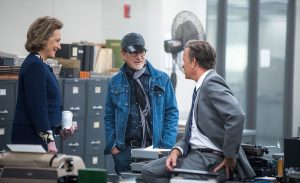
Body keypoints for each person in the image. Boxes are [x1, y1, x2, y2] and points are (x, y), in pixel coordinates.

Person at [142, 40, 255, 182]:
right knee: (148, 171)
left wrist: (230, 156)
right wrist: (176, 151)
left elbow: (236, 115)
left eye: (184, 61)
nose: (182, 65)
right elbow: (191, 133)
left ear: (194, 62)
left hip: (208, 159)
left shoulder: (211, 83)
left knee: (177, 180)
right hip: (192, 154)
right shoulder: (199, 87)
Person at [104, 32, 179, 174]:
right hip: (124, 151)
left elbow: (171, 113)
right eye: (134, 53)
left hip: (155, 149)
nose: (139, 57)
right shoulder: (115, 82)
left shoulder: (162, 79)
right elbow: (108, 116)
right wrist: (113, 147)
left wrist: (166, 146)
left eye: (142, 52)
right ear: (123, 54)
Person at [11, 16, 76, 154]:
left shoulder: (39, 64)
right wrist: (49, 141)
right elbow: (37, 109)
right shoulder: (35, 66)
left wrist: (60, 129)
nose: (59, 46)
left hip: (36, 137)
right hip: (31, 140)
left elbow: (46, 108)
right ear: (43, 39)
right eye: (57, 41)